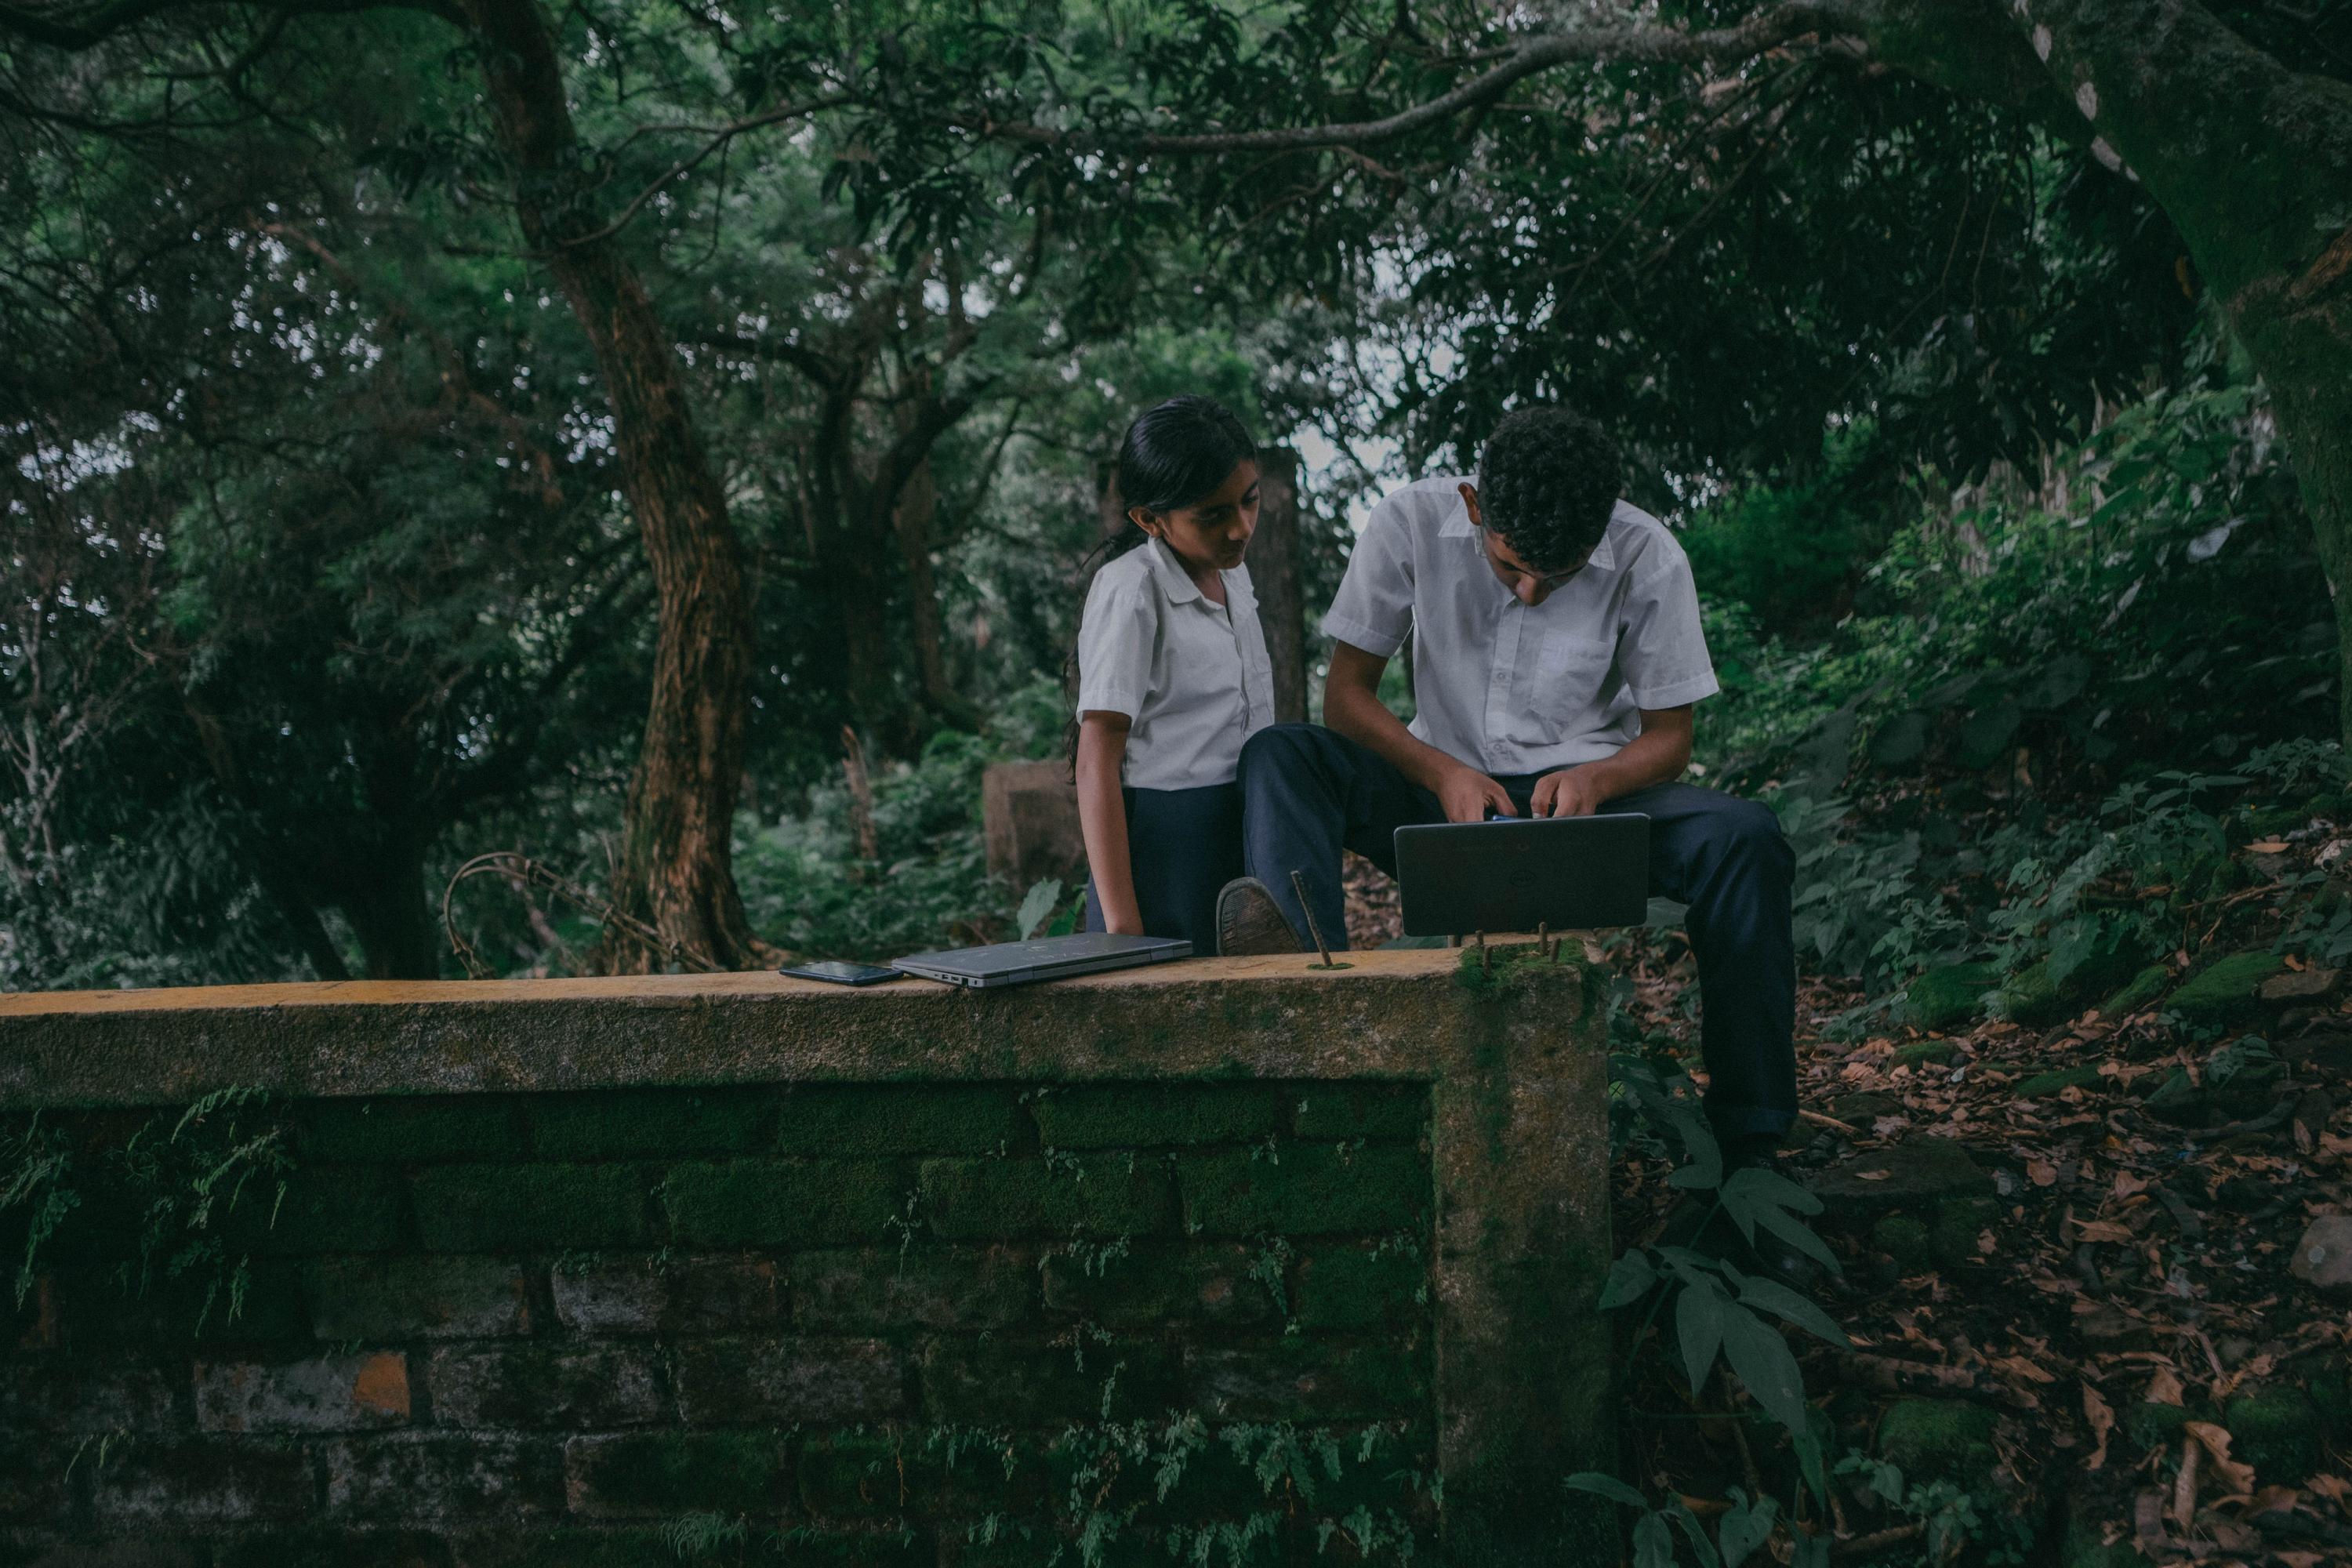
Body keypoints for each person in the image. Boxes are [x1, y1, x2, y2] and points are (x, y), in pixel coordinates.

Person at [1221, 405, 1798, 1171]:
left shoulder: (1647, 553)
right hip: (1438, 798)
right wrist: (1444, 771)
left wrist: (1596, 775)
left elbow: (1670, 737)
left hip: (1596, 809)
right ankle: (1310, 1020)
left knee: (1747, 836)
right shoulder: (1408, 522)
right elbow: (1348, 698)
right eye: (1509, 565)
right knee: (1280, 752)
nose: (1530, 590)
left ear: (1602, 530)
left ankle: (1753, 1144)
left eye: (1557, 576)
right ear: (1473, 506)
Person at [1072, 396, 1277, 949]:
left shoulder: (1232, 574)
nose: (1240, 529)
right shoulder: (1131, 590)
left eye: (1250, 501)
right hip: (1164, 847)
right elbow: (1096, 762)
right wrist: (1122, 926)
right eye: (1213, 514)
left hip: (1241, 829)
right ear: (1149, 520)